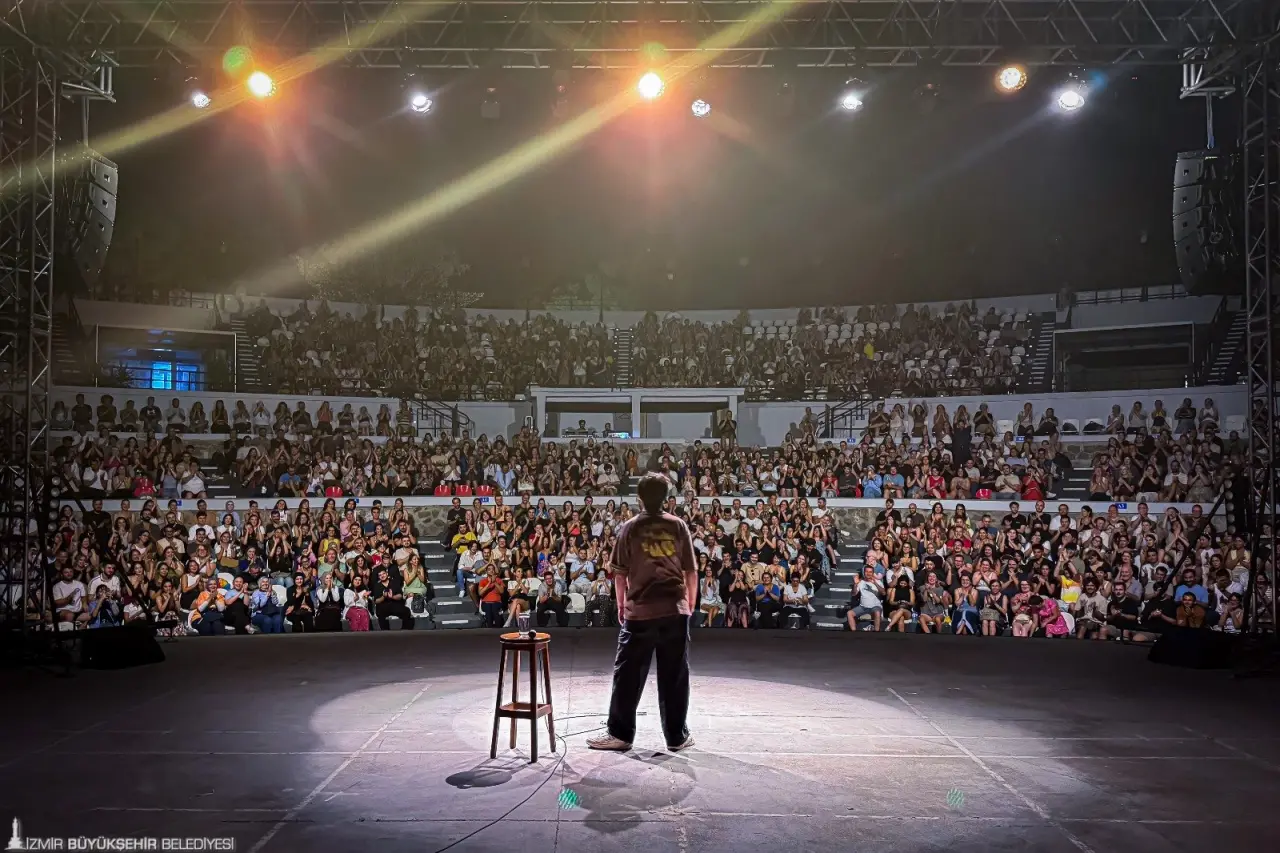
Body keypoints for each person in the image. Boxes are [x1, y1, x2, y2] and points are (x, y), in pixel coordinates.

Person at [588, 472, 698, 753]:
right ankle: (677, 737)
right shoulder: (678, 526)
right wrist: (690, 606)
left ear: (639, 498)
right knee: (674, 676)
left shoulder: (629, 528)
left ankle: (620, 734)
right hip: (675, 610)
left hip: (640, 611)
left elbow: (619, 575)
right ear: (666, 498)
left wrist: (622, 605)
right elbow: (691, 571)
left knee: (627, 674)